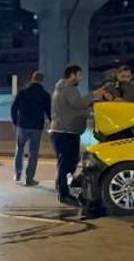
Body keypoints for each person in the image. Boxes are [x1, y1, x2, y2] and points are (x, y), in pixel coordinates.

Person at [48, 65, 102, 205]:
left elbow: (73, 109)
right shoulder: (69, 88)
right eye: (79, 75)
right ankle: (63, 193)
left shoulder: (61, 88)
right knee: (67, 163)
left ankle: (62, 186)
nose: (81, 78)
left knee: (67, 162)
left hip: (62, 131)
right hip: (65, 132)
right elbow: (78, 104)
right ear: (72, 75)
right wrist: (94, 95)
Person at [10, 71, 51, 186]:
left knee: (20, 150)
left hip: (22, 125)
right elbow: (49, 111)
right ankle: (29, 178)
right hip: (37, 126)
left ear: (32, 79)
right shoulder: (45, 95)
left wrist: (15, 121)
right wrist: (52, 122)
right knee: (33, 153)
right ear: (42, 81)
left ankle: (18, 174)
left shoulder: (23, 92)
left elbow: (14, 108)